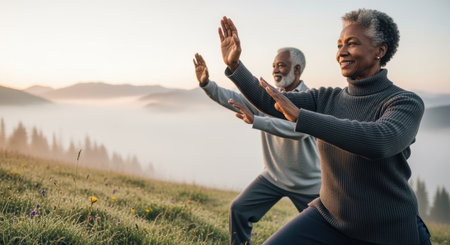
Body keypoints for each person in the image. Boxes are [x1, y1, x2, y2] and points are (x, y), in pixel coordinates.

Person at [218, 9, 431, 245]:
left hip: (386, 230)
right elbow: (270, 100)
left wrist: (303, 118)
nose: (341, 52)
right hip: (328, 217)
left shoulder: (404, 102)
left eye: (351, 44)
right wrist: (236, 66)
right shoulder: (327, 98)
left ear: (380, 50)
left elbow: (379, 141)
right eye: (339, 45)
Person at [193, 49, 321, 245]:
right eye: (273, 66)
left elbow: (298, 130)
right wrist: (206, 84)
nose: (275, 70)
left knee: (322, 232)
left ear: (297, 69)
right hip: (273, 176)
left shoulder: (309, 99)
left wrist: (257, 121)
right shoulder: (267, 97)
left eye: (281, 65)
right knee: (239, 210)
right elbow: (233, 99)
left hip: (308, 184)